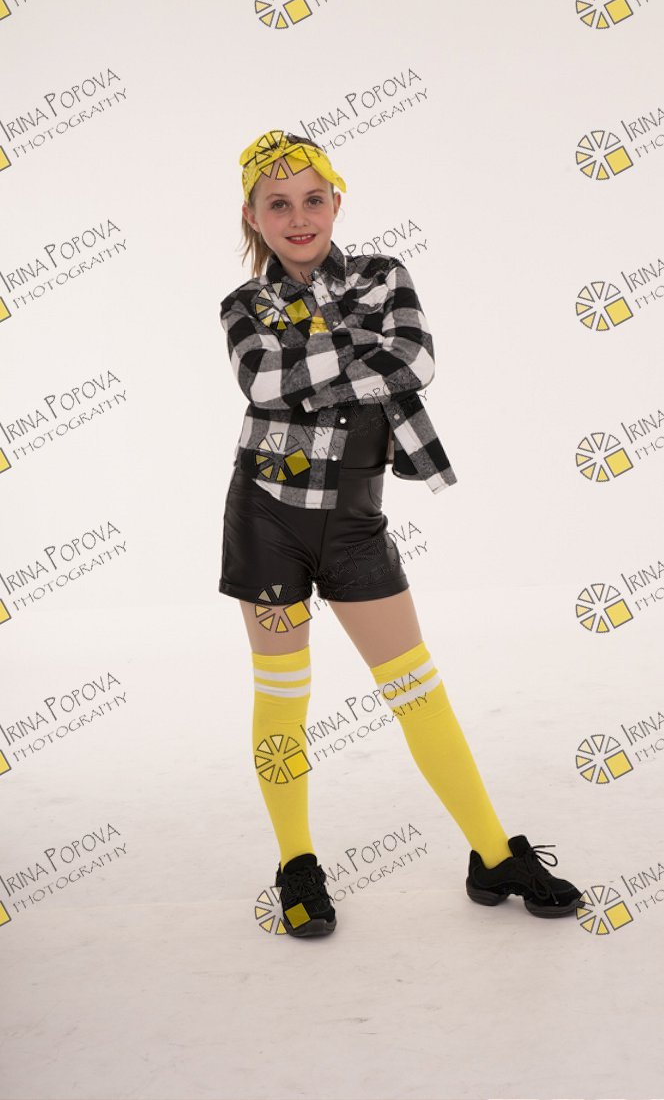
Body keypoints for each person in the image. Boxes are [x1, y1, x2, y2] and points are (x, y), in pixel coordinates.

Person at [218, 129, 583, 937]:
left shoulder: (384, 274)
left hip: (354, 520)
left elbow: (415, 361)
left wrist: (312, 359)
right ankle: (296, 862)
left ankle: (493, 854)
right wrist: (359, 347)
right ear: (253, 215)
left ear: (336, 202)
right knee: (282, 696)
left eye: (313, 199)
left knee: (417, 688)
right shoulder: (244, 305)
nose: (299, 217)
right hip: (268, 518)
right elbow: (264, 381)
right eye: (278, 203)